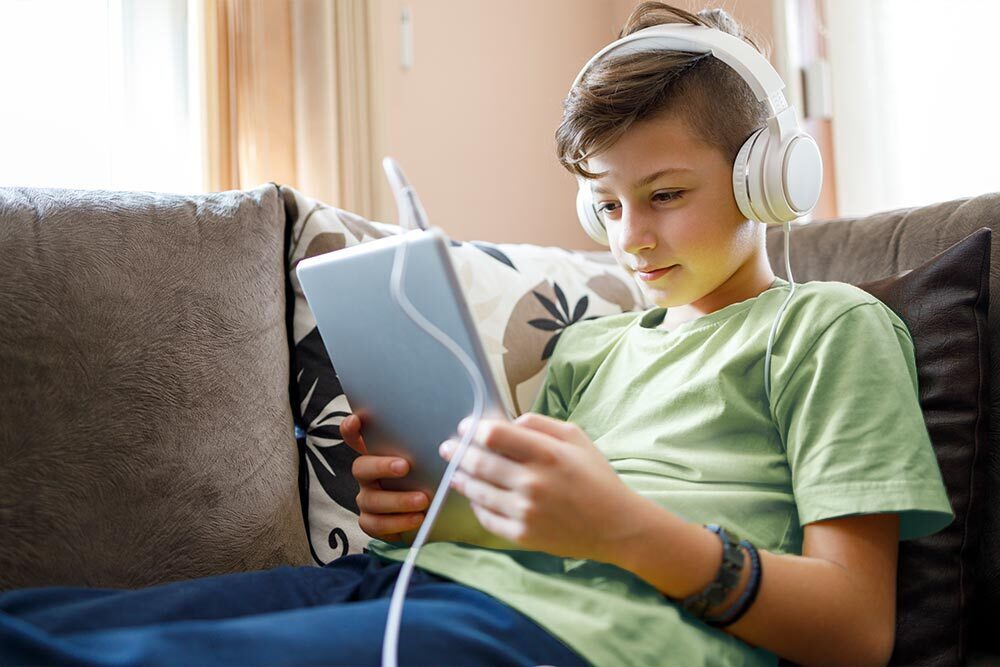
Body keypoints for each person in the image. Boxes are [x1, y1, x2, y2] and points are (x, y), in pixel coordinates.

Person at [0, 3, 952, 667]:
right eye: (607, 204)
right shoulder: (589, 348)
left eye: (665, 196)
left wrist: (624, 529)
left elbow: (857, 627)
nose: (632, 236)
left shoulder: (829, 327)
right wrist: (424, 502)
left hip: (580, 638)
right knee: (35, 622)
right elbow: (514, 519)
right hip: (414, 586)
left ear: (764, 181)